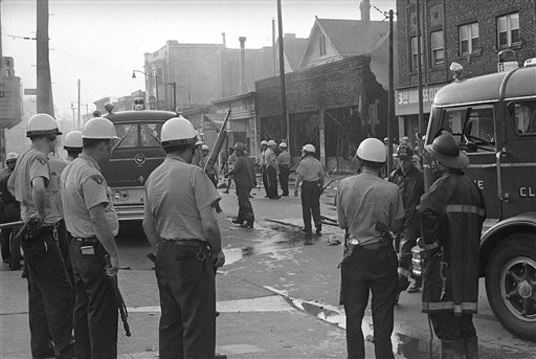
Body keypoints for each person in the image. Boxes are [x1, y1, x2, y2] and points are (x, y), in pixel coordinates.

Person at [142, 116, 225, 359]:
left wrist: (162, 250)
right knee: (197, 324)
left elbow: (147, 224)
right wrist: (217, 251)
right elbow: (209, 225)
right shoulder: (194, 175)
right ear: (191, 146)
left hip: (165, 253)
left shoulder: (152, 177)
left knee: (171, 323)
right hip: (192, 257)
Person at [8, 113, 74, 358]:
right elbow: (38, 186)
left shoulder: (25, 157)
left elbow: (12, 185)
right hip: (44, 233)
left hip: (30, 234)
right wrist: (41, 211)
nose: (56, 141)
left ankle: (41, 350)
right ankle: (65, 350)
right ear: (49, 136)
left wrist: (26, 209)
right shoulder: (38, 158)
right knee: (61, 293)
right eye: (54, 136)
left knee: (38, 296)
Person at [336, 137, 404, 359]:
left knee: (353, 317)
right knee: (383, 316)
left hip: (354, 257)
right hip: (382, 257)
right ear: (382, 163)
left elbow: (343, 223)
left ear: (359, 159)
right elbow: (396, 224)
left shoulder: (344, 185)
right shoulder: (392, 190)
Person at [420, 132, 485, 359]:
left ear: (439, 161)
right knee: (465, 325)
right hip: (467, 270)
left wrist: (431, 245)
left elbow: (425, 210)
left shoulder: (442, 186)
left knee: (446, 325)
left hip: (445, 269)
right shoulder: (472, 188)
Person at [61, 116, 121, 358]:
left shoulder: (70, 169)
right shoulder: (90, 175)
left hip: (77, 247)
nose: (110, 153)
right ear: (103, 145)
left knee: (83, 307)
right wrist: (113, 253)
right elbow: (98, 217)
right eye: (111, 147)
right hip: (94, 251)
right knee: (103, 313)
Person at [388, 143, 425, 297]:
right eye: (400, 160)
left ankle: (397, 288)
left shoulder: (420, 177)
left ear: (411, 160)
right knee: (400, 252)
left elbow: (425, 198)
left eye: (405, 160)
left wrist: (417, 210)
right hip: (397, 221)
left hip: (412, 222)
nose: (403, 163)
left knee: (404, 255)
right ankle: (415, 278)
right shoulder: (393, 176)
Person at [293, 144, 324, 243]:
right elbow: (322, 176)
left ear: (305, 152)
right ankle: (318, 224)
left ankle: (308, 228)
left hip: (306, 186)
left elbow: (299, 176)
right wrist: (321, 186)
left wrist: (296, 188)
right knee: (315, 206)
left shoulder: (303, 163)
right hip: (315, 185)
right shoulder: (317, 162)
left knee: (306, 208)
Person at [0, 152, 22, 270]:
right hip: (14, 207)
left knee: (5, 233)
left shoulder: (3, 175)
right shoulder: (17, 176)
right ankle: (15, 260)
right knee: (16, 235)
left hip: (4, 208)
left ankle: (7, 256)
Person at [227, 142, 256, 228]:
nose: (235, 152)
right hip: (248, 183)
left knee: (244, 202)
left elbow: (235, 170)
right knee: (241, 201)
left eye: (236, 150)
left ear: (239, 151)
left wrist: (227, 174)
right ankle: (241, 218)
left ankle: (250, 219)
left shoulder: (240, 160)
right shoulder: (248, 159)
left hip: (242, 183)